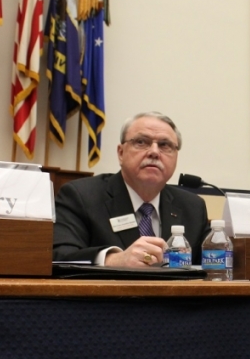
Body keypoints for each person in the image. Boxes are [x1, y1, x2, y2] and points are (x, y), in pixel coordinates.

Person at [53, 112, 209, 267]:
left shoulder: (193, 207)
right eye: (141, 142)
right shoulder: (81, 196)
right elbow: (59, 256)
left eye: (164, 145)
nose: (154, 152)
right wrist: (113, 260)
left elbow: (215, 265)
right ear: (121, 153)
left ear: (175, 158)